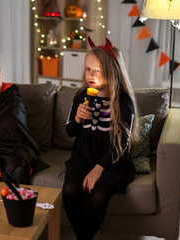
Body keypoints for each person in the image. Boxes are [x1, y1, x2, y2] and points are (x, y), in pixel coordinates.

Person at [62, 37, 139, 239]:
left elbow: (123, 144)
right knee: (69, 190)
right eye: (88, 69)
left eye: (97, 70)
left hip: (111, 162)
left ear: (112, 71)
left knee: (99, 195)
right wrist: (77, 118)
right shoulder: (81, 96)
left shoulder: (123, 101)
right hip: (82, 158)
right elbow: (70, 131)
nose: (91, 75)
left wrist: (99, 169)